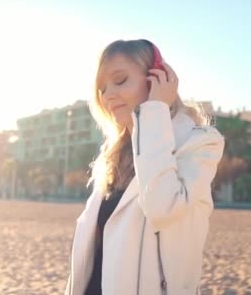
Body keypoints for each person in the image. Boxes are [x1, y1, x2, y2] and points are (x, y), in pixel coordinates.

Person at [64, 39, 225, 295]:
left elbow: (163, 207)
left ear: (156, 78)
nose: (107, 95)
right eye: (102, 88)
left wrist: (155, 110)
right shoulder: (111, 155)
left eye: (120, 81)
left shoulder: (200, 143)